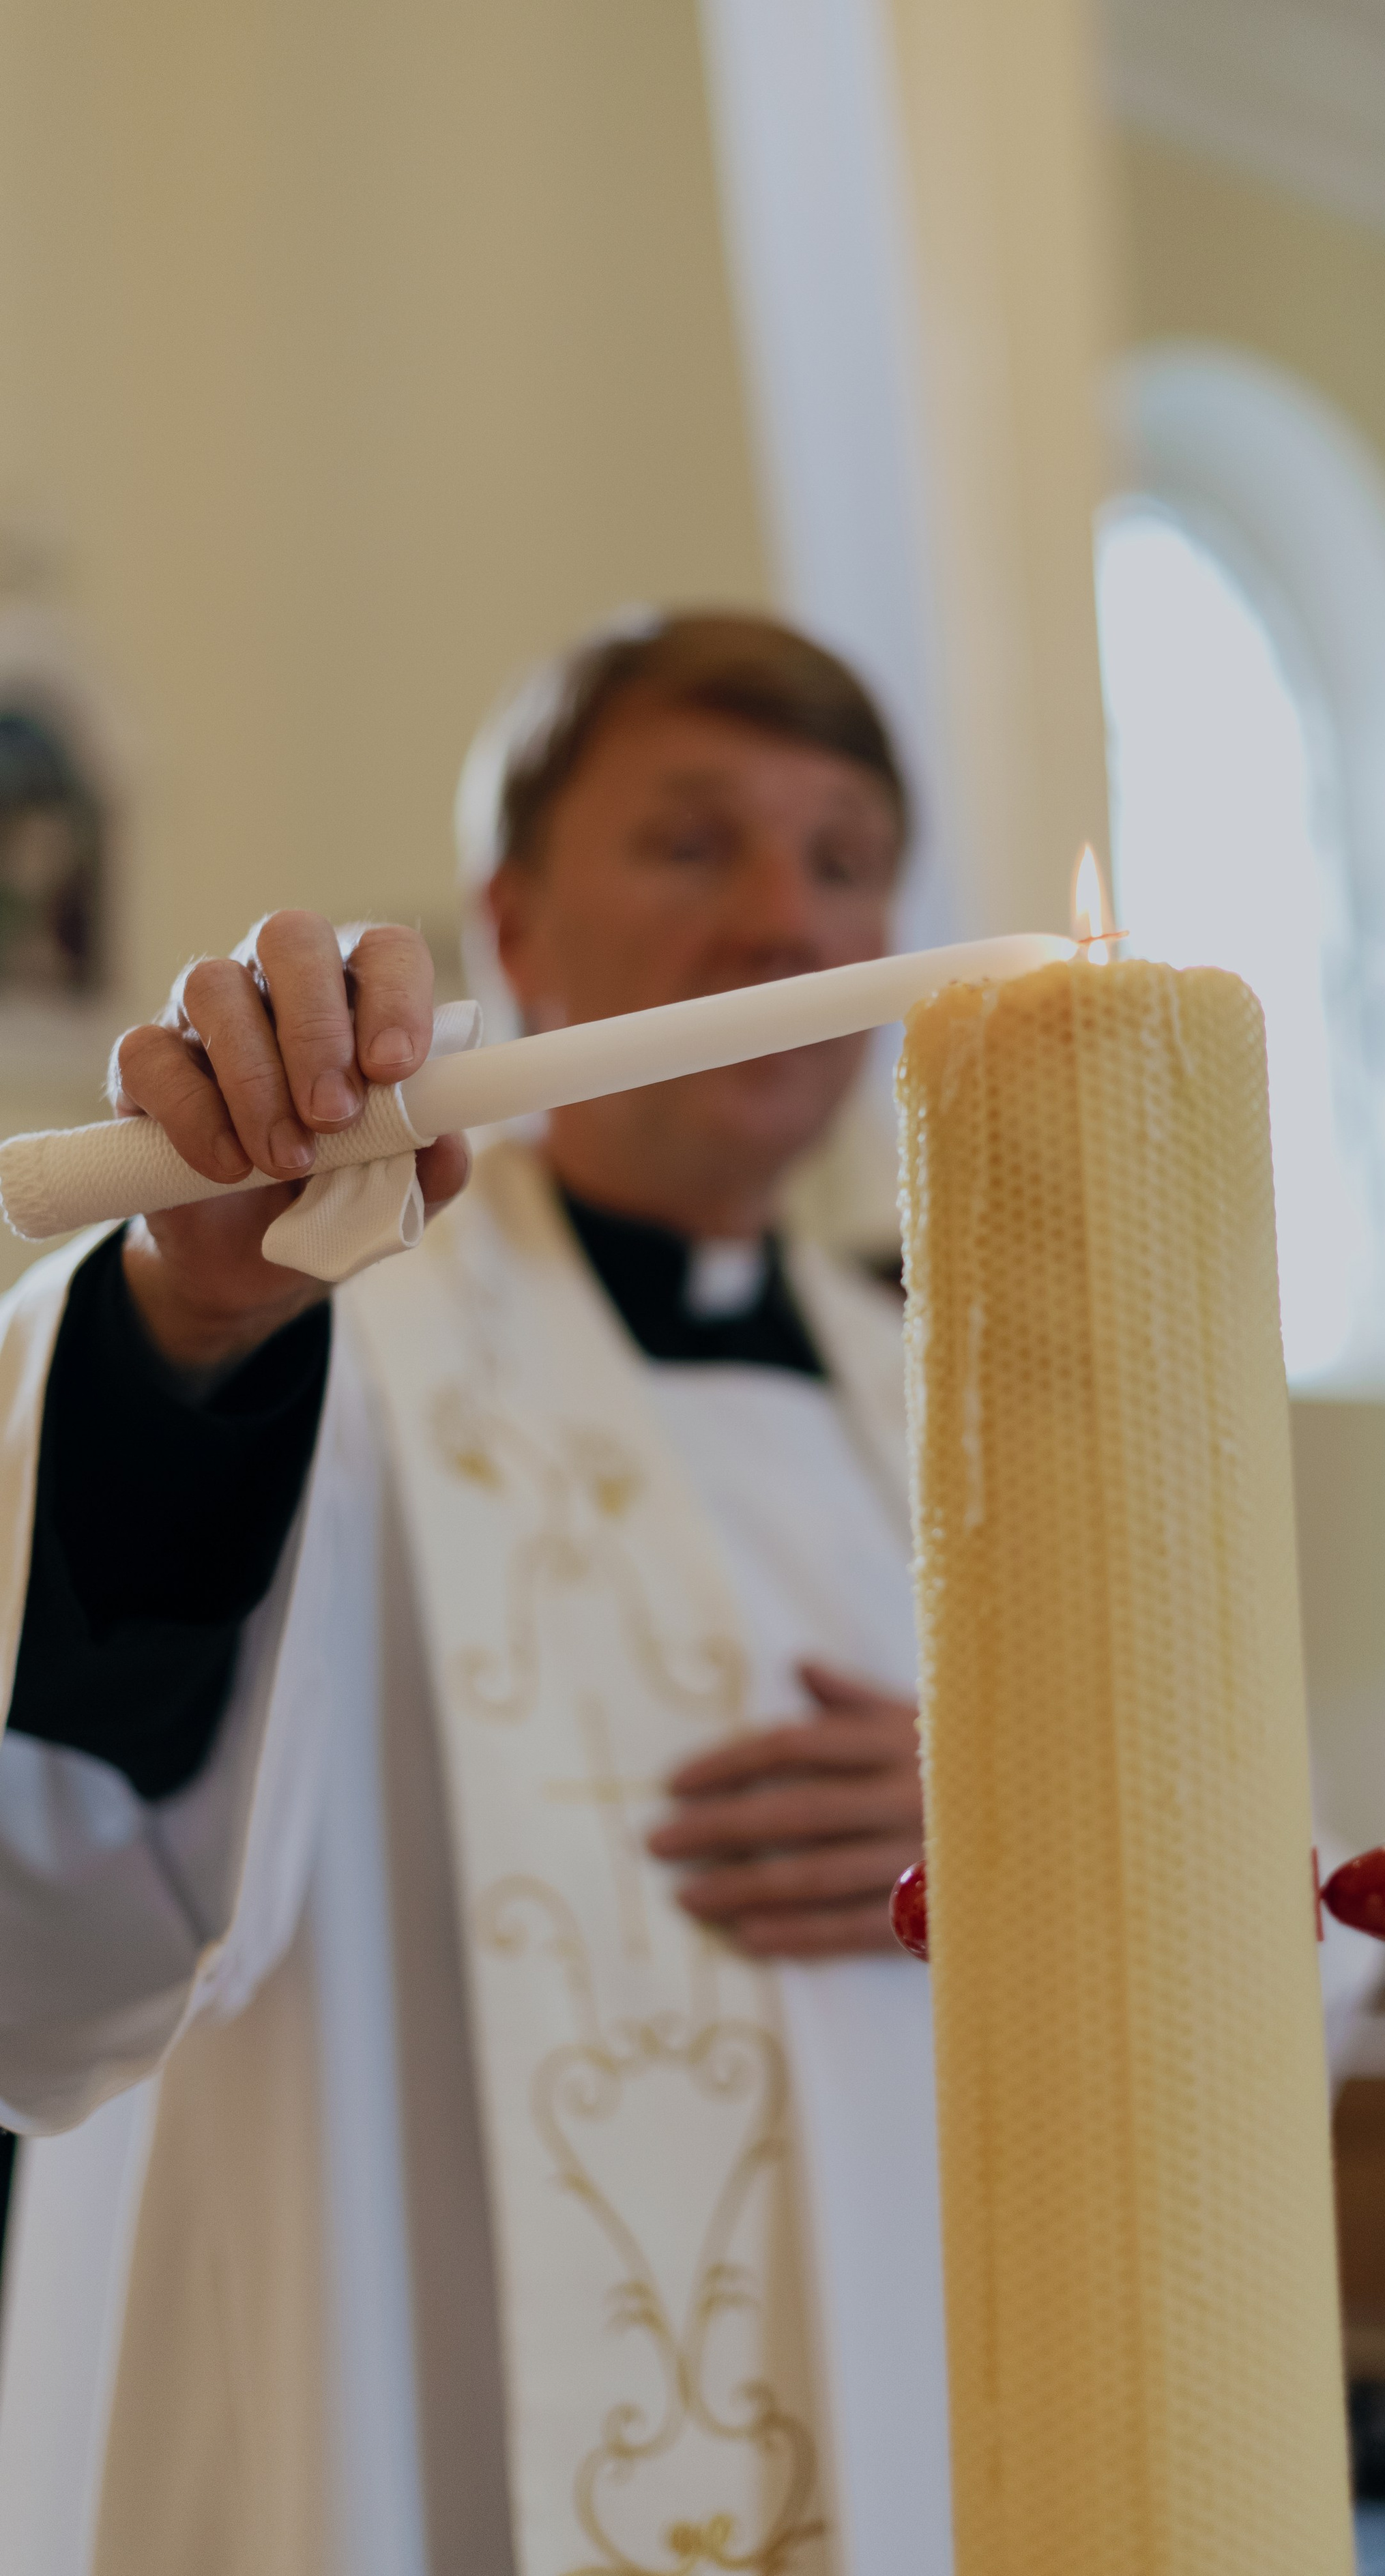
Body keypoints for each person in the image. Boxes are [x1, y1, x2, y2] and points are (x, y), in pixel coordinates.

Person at [0, 615, 947, 2576]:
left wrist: (1052, 1836)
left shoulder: (976, 1411)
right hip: (389, 2440)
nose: (789, 918)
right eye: (694, 844)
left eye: (847, 861)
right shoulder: (329, 1328)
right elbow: (58, 1925)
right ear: (511, 919)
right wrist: (188, 1331)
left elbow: (1285, 1909)